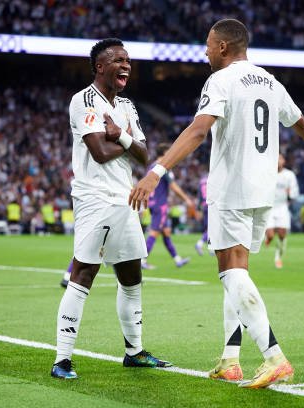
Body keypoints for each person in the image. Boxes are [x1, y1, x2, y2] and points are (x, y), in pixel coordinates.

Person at [128, 19, 304, 388]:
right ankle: (230, 359)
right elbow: (302, 124)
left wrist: (157, 171)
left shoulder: (221, 80)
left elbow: (199, 130)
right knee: (237, 273)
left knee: (229, 272)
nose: (204, 51)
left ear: (223, 47)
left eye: (208, 45)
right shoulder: (270, 80)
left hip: (232, 188)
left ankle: (273, 355)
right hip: (263, 192)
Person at [51, 38, 171, 380]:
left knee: (132, 278)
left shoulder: (128, 106)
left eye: (128, 61)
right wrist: (126, 141)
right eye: (118, 60)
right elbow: (99, 152)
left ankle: (134, 352)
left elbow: (146, 154)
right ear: (100, 66)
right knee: (83, 275)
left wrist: (119, 135)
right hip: (95, 199)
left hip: (126, 199)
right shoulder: (83, 100)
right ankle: (62, 359)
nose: (126, 65)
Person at [142, 143, 193, 269]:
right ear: (165, 154)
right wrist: (186, 199)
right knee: (154, 232)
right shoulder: (162, 167)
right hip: (161, 205)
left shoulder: (151, 167)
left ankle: (177, 259)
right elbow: (173, 186)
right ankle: (142, 261)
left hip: (153, 203)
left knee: (166, 232)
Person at [264, 154, 299, 269]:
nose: (278, 161)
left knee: (282, 234)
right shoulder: (267, 173)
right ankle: (268, 238)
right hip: (269, 207)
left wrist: (290, 194)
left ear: (284, 161)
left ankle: (278, 258)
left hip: (282, 207)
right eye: (276, 158)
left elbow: (295, 192)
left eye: (280, 159)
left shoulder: (289, 175)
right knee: (270, 234)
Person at [195, 173, 215, 256]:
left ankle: (211, 248)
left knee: (210, 228)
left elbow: (199, 196)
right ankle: (199, 244)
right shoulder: (213, 178)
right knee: (212, 228)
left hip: (204, 206)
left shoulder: (202, 181)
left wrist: (198, 209)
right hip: (212, 205)